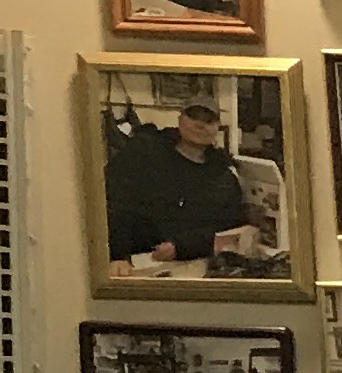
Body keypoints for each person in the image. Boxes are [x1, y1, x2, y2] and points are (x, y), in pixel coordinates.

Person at [106, 99, 257, 264]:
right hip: (135, 262)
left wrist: (185, 247)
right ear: (180, 119)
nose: (200, 124)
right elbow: (115, 203)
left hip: (196, 265)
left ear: (217, 128)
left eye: (209, 120)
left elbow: (227, 227)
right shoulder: (142, 154)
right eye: (193, 116)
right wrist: (118, 256)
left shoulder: (224, 178)